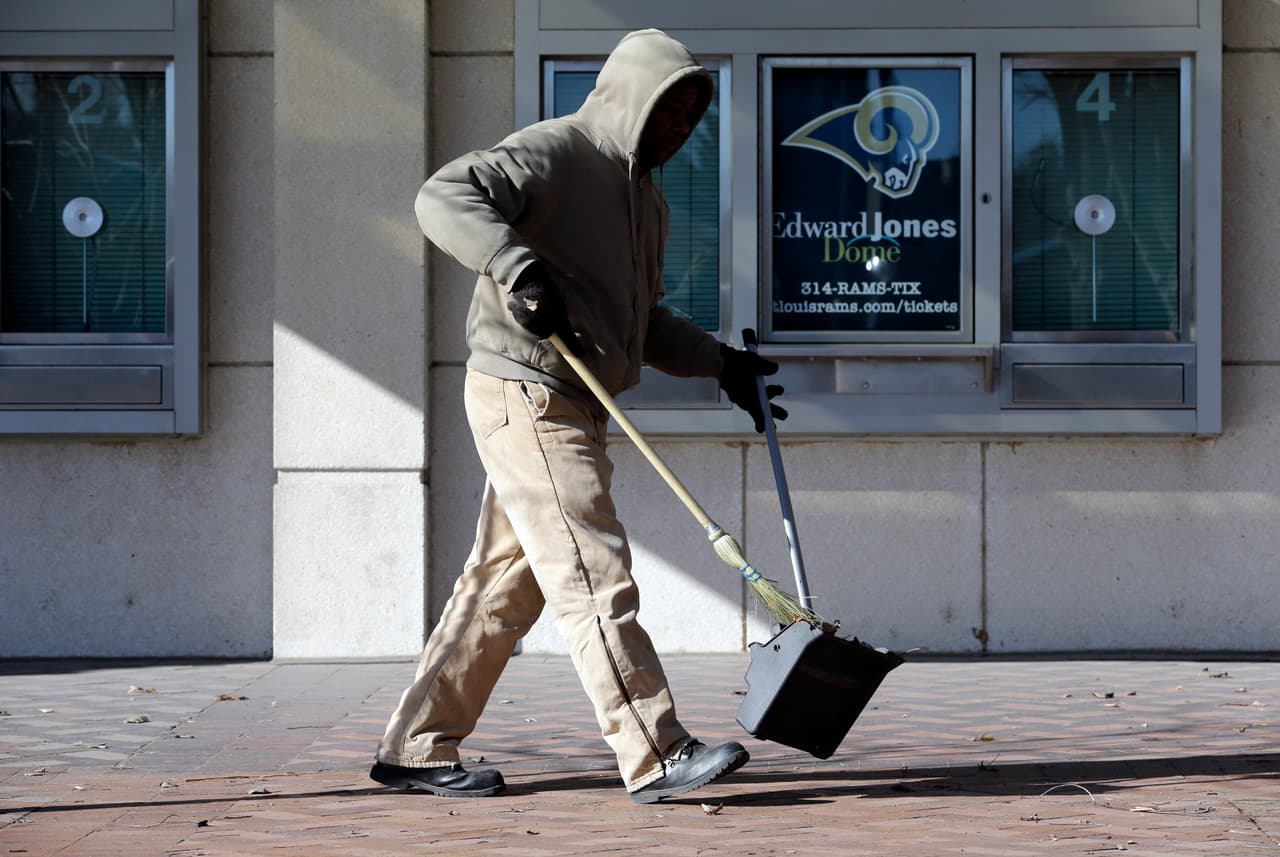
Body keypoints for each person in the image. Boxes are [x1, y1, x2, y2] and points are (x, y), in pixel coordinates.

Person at [370, 28, 786, 804]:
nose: (679, 128)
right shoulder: (558, 151)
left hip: (571, 400)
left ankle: (416, 746)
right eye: (669, 110)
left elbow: (640, 323)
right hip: (526, 391)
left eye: (692, 117)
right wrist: (517, 265)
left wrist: (721, 364)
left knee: (506, 582)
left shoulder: (647, 203)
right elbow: (443, 195)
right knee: (594, 571)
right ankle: (655, 750)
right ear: (633, 98)